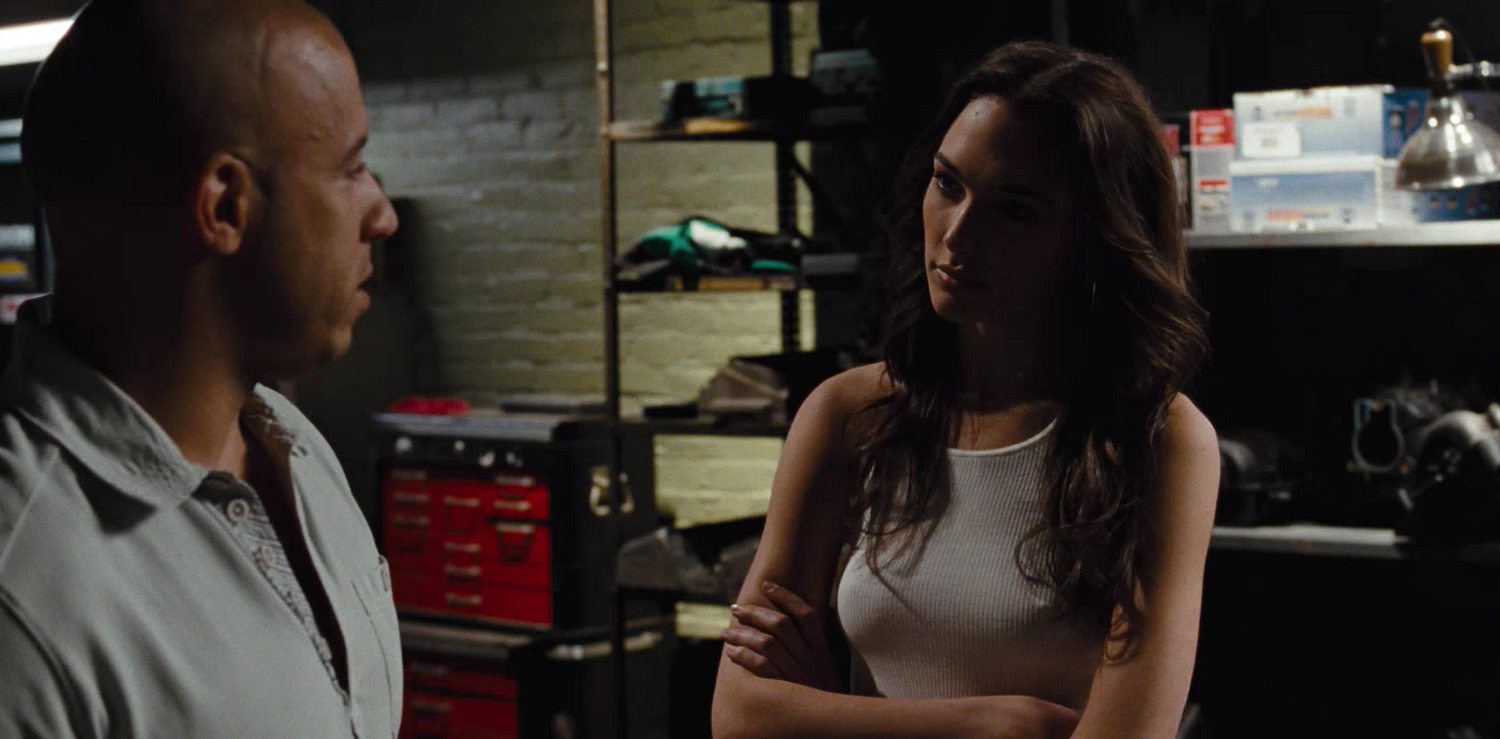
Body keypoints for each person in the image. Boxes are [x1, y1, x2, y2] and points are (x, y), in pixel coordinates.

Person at [711, 42, 1220, 739]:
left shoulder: (1158, 439)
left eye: (1016, 211)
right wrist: (997, 721)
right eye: (948, 184)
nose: (957, 234)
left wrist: (827, 714)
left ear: (1096, 235)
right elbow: (740, 716)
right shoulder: (849, 415)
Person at [0, 0, 402, 736]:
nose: (382, 214)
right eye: (350, 169)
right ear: (225, 206)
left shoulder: (295, 447)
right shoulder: (25, 589)